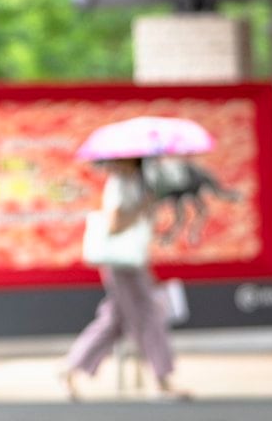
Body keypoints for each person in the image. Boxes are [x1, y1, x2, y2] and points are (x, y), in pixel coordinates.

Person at [60, 157, 190, 401]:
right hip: (122, 264)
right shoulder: (119, 184)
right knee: (148, 314)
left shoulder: (137, 182)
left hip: (133, 261)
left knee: (114, 320)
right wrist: (142, 206)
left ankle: (71, 368)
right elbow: (115, 224)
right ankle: (162, 379)